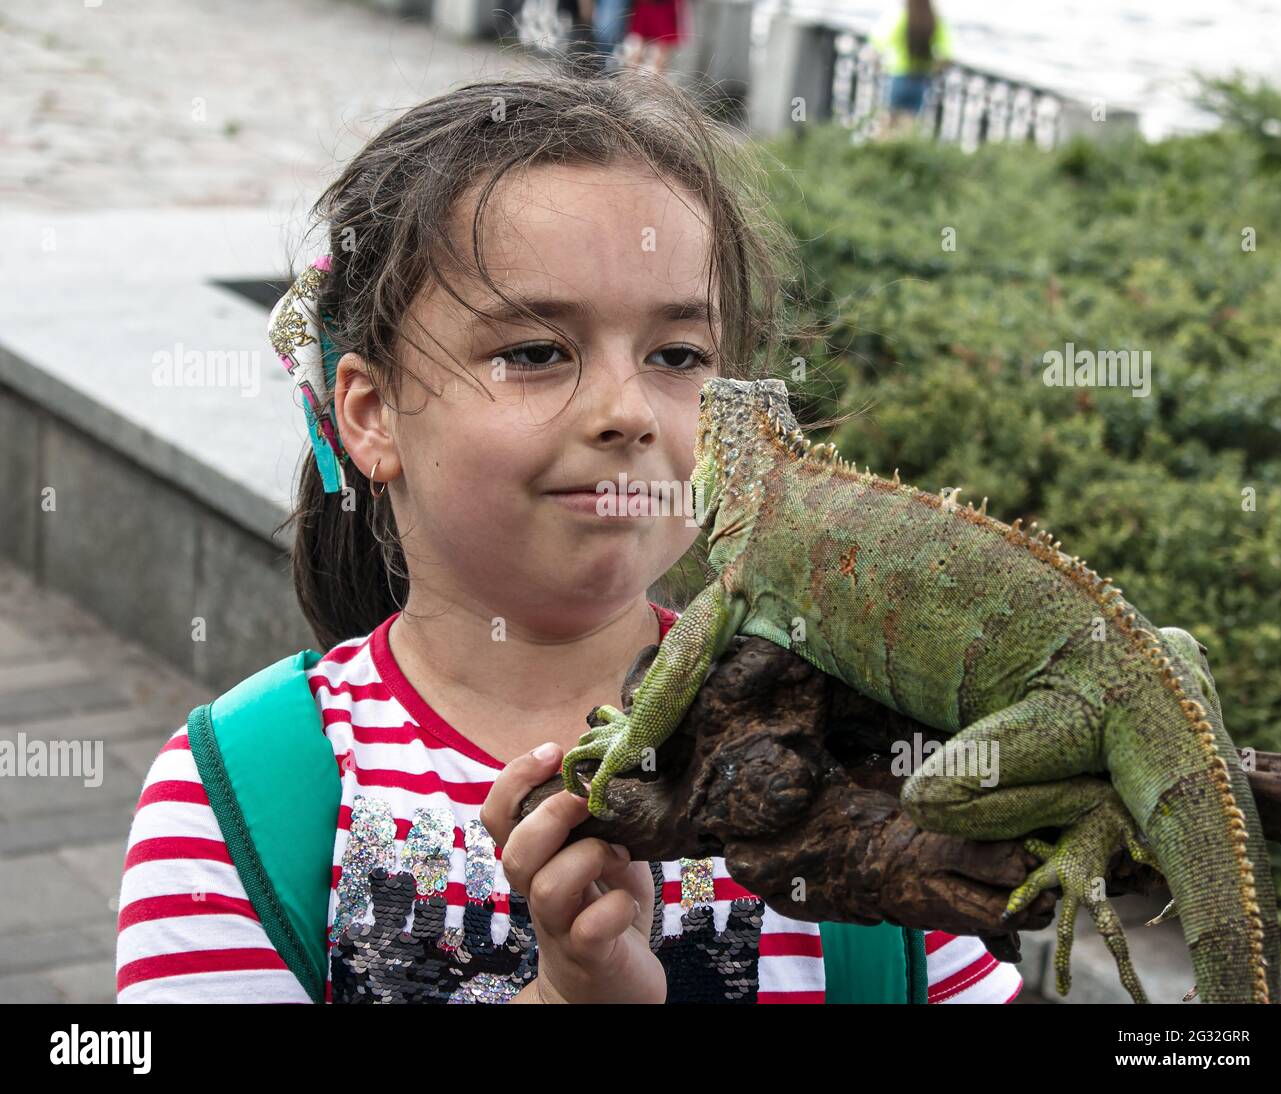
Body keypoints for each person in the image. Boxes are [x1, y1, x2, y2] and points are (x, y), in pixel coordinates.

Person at [113, 69, 1021, 1004]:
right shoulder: (247, 796)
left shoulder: (854, 752)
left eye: (678, 357)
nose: (627, 411)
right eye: (535, 353)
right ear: (373, 413)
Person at [872, 0, 954, 133]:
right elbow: (947, 55)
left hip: (898, 76)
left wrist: (880, 65)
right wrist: (931, 69)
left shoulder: (901, 17)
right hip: (920, 80)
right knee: (907, 127)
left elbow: (878, 41)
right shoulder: (934, 20)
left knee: (888, 127)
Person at [624, 0, 688, 75]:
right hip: (646, 6)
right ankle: (631, 80)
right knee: (635, 48)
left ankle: (654, 81)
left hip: (664, 7)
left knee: (660, 51)